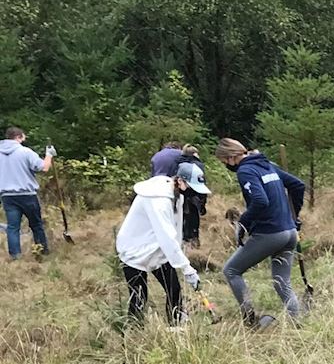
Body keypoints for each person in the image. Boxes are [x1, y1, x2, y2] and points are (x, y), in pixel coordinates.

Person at [215, 138, 307, 327]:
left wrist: (243, 223)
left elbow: (260, 201)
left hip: (270, 233)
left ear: (231, 157)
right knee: (282, 282)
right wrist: (293, 217)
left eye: (224, 161)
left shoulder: (245, 170)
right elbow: (298, 185)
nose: (226, 165)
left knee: (231, 270)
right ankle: (297, 325)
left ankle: (250, 320)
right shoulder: (267, 165)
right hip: (289, 233)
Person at [115, 169, 204, 325]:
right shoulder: (158, 200)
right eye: (192, 187)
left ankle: (177, 327)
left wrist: (179, 257)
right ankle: (133, 333)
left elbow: (175, 231)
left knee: (174, 290)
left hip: (157, 248)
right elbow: (166, 236)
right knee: (139, 297)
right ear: (180, 181)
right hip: (134, 250)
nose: (194, 192)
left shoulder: (177, 195)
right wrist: (187, 269)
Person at [0, 127, 54, 259]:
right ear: (19, 137)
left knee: (13, 227)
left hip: (7, 196)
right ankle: (42, 252)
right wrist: (49, 154)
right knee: (36, 225)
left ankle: (15, 256)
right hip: (27, 194)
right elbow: (44, 167)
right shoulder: (25, 152)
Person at [175, 146, 207, 245]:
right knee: (193, 217)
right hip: (193, 197)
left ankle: (183, 239)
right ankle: (192, 239)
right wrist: (202, 203)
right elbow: (201, 184)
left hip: (179, 197)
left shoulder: (177, 163)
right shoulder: (197, 166)